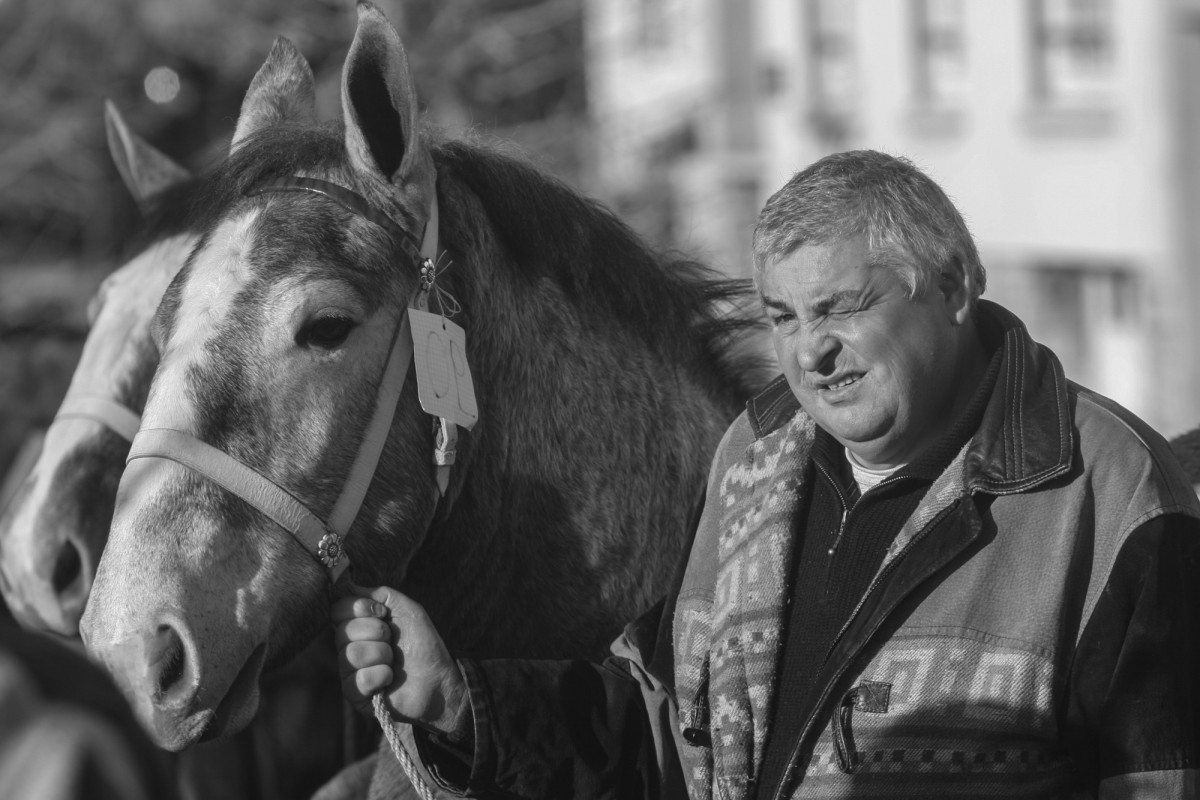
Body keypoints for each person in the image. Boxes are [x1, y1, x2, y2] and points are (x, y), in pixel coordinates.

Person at [333, 150, 1200, 798]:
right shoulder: (754, 460)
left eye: (841, 307)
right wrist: (457, 699)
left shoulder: (1110, 490)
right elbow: (665, 731)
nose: (809, 353)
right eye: (782, 317)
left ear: (954, 287)